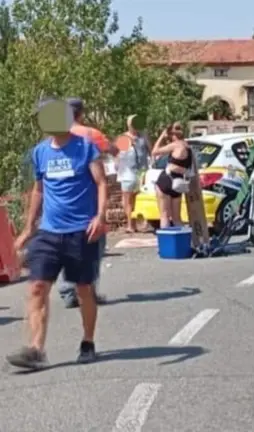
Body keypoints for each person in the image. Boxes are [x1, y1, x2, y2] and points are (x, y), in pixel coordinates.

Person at [8, 98, 107, 368]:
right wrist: (29, 227)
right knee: (37, 287)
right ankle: (36, 350)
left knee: (83, 289)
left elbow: (100, 183)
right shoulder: (40, 152)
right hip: (49, 232)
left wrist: (99, 216)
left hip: (81, 231)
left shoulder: (85, 147)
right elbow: (39, 190)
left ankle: (88, 341)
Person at [57, 97, 112, 309]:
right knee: (93, 247)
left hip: (62, 201)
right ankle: (88, 291)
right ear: (81, 113)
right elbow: (111, 150)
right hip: (88, 200)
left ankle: (68, 291)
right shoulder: (92, 134)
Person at [115, 115, 150, 233]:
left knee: (127, 200)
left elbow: (118, 156)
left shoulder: (125, 138)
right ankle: (133, 223)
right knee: (133, 199)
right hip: (139, 173)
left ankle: (131, 225)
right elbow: (150, 151)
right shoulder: (142, 137)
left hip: (129, 173)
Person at [152, 122, 190, 228]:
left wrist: (161, 137)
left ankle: (166, 242)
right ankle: (180, 242)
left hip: (166, 179)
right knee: (177, 218)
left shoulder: (175, 145)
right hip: (179, 182)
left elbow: (154, 151)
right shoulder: (187, 147)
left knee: (164, 215)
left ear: (173, 135)